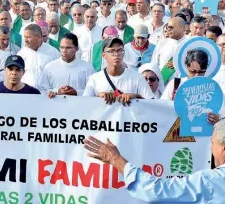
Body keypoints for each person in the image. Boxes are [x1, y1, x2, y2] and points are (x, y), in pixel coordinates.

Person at [83, 119, 225, 204]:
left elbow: (157, 191)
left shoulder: (210, 181)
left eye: (212, 143)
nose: (211, 148)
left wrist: (116, 160)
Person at [83, 37, 154, 105]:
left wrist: (136, 96)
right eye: (111, 51)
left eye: (120, 50)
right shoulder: (95, 79)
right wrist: (98, 96)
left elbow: (152, 105)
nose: (116, 54)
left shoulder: (137, 77)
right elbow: (85, 105)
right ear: (103, 55)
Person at [152, 17, 187, 84]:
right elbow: (154, 64)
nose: (168, 29)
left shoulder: (189, 44)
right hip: (162, 85)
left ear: (181, 28)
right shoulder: (162, 43)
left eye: (171, 27)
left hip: (182, 85)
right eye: (168, 27)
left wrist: (178, 64)